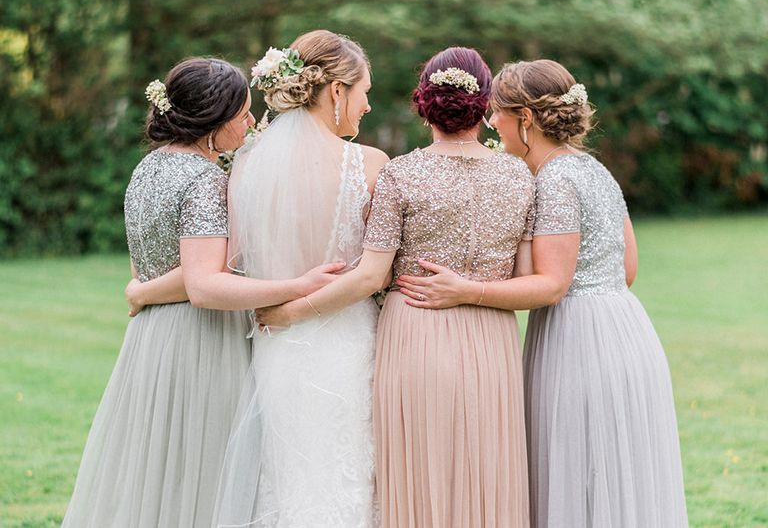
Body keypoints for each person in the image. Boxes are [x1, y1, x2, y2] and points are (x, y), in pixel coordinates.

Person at [398, 59, 688, 527]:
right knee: (613, 477)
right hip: (625, 328)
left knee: (578, 470)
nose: (491, 122)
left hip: (579, 342)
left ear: (525, 120)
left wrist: (466, 289)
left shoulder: (553, 180)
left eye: (498, 113)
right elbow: (627, 268)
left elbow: (552, 285)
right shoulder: (595, 169)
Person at [258, 47, 535, 528]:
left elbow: (371, 276)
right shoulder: (519, 175)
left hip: (413, 332)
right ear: (485, 106)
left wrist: (289, 312)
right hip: (492, 336)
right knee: (486, 466)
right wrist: (474, 286)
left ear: (423, 103)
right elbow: (529, 278)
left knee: (417, 470)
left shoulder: (400, 174)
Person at [63, 57, 343, 528]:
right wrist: (300, 284)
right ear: (214, 120)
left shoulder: (146, 169)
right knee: (209, 473)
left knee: (161, 475)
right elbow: (204, 283)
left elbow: (148, 271)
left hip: (150, 341)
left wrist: (140, 293)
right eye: (243, 113)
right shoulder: (205, 181)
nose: (252, 122)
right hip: (201, 341)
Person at [213, 31, 389, 528]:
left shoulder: (245, 165)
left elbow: (236, 264)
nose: (368, 105)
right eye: (364, 91)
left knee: (290, 480)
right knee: (348, 476)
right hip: (350, 344)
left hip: (278, 343)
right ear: (336, 91)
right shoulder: (370, 165)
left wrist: (283, 307)